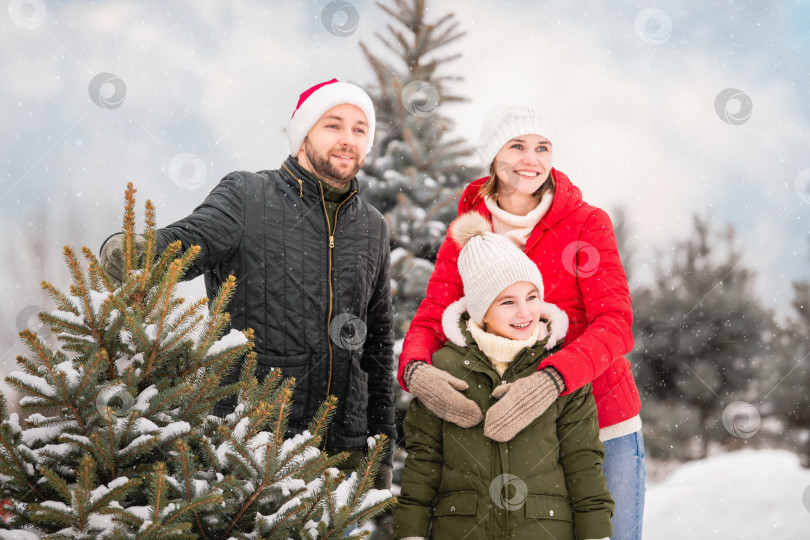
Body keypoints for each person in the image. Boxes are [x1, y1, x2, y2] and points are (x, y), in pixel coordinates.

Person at [99, 78, 395, 487]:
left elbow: (377, 346)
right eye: (333, 125)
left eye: (359, 129)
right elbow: (186, 241)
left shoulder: (372, 226)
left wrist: (381, 451)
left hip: (341, 460)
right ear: (303, 132)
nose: (348, 139)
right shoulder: (249, 196)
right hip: (251, 452)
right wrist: (134, 252)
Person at [398, 106, 645, 539]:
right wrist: (416, 370)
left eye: (542, 148)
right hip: (505, 434)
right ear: (493, 156)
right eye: (517, 146)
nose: (531, 159)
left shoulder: (586, 224)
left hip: (603, 421)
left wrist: (552, 379)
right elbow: (430, 323)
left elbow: (616, 323)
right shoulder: (467, 235)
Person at [393, 211, 613, 540]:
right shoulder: (445, 370)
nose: (525, 312)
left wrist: (596, 535)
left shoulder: (560, 370)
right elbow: (423, 461)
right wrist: (410, 533)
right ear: (481, 309)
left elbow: (583, 463)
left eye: (531, 297)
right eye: (507, 302)